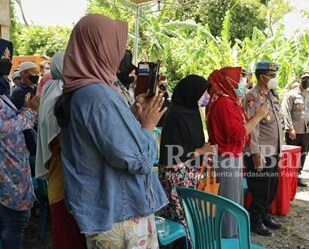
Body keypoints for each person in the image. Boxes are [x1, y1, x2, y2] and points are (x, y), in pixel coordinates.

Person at [53, 14, 168, 248]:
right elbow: (142, 160)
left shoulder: (80, 92)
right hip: (120, 216)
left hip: (106, 210)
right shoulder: (98, 96)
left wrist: (133, 119)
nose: (120, 54)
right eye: (116, 45)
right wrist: (148, 125)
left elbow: (107, 142)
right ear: (99, 48)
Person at [207, 67, 269, 238]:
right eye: (239, 79)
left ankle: (229, 231)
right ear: (229, 81)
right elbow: (238, 132)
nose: (243, 82)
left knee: (232, 196)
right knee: (228, 197)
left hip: (230, 155)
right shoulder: (224, 103)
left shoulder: (228, 100)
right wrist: (258, 116)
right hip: (226, 156)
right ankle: (226, 235)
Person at [35, 52, 87, 249]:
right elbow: (64, 141)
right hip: (66, 184)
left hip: (59, 179)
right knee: (69, 240)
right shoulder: (60, 95)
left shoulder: (50, 90)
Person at [158, 74, 212, 246]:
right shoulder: (175, 115)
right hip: (175, 176)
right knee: (180, 219)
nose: (206, 97)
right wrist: (201, 150)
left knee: (189, 216)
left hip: (190, 174)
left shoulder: (192, 111)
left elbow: (192, 140)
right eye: (203, 93)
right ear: (191, 93)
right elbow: (174, 151)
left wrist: (204, 152)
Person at [0, 40, 40, 248]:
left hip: (12, 172)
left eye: (8, 55)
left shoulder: (4, 90)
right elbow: (3, 128)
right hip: (7, 177)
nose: (7, 60)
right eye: (3, 55)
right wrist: (29, 112)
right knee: (13, 226)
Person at [243, 61, 283, 236]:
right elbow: (252, 128)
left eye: (275, 74)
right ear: (261, 76)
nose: (274, 78)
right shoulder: (252, 98)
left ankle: (265, 214)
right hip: (261, 152)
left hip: (273, 150)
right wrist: (255, 152)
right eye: (271, 75)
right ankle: (255, 220)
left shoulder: (273, 95)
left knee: (271, 186)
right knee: (260, 188)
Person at [282, 72, 309, 187]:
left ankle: (297, 176)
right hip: (294, 132)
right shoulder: (291, 94)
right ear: (299, 79)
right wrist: (290, 128)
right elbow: (286, 112)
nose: (306, 81)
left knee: (303, 154)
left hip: (306, 131)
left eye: (308, 79)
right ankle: (288, 178)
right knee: (291, 156)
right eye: (304, 79)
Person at [11, 62, 39, 159]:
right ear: (24, 74)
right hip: (28, 135)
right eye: (34, 73)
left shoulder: (37, 89)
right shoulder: (18, 93)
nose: (36, 75)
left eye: (37, 72)